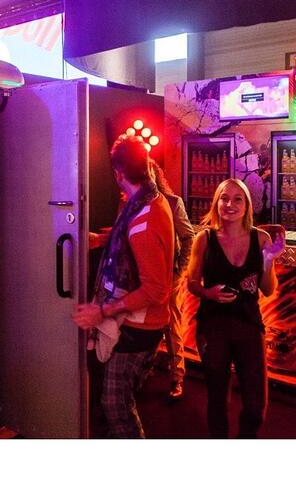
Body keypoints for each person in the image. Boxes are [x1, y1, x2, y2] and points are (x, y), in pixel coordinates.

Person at [72, 135, 175, 438]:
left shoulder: (144, 220)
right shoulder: (148, 202)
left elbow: (156, 290)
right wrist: (101, 240)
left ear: (118, 173)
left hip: (140, 327)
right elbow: (131, 241)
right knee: (113, 401)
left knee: (115, 404)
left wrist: (103, 311)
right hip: (138, 324)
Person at [186, 178, 285, 438]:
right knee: (218, 399)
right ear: (216, 203)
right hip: (213, 325)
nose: (230, 204)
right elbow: (191, 283)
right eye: (224, 198)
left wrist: (268, 261)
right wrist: (208, 293)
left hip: (249, 325)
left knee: (256, 405)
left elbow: (267, 289)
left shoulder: (260, 238)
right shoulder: (204, 239)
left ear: (247, 205)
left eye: (237, 199)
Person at [149, 161, 195, 401]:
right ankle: (144, 370)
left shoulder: (173, 202)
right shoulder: (130, 204)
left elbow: (189, 237)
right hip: (143, 277)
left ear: (155, 175)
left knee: (172, 326)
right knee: (143, 325)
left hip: (168, 276)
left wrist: (179, 272)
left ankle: (177, 377)